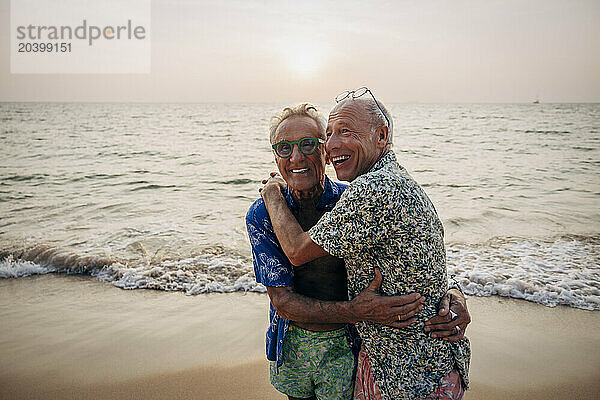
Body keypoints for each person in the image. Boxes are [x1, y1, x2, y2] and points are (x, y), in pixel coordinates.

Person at [248, 102, 470, 400]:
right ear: (275, 156)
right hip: (291, 346)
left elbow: (412, 248)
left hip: (351, 344)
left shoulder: (350, 199)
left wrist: (453, 292)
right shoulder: (262, 215)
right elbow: (283, 302)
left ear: (324, 152)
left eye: (309, 144)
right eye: (284, 148)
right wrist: (357, 310)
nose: (296, 156)